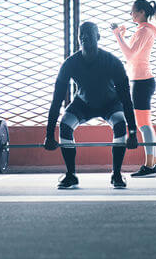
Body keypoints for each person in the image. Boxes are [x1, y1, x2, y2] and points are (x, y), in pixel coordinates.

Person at [45, 22, 139, 189]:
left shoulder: (113, 62)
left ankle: (116, 174)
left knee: (119, 124)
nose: (84, 37)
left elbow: (126, 99)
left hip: (110, 104)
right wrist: (49, 134)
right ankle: (71, 175)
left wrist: (132, 132)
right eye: (81, 34)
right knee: (65, 126)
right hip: (83, 104)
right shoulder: (69, 64)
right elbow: (57, 99)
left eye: (89, 34)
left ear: (98, 37)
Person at [111, 0, 156, 178]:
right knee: (145, 124)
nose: (131, 15)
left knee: (143, 125)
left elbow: (130, 55)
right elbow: (131, 54)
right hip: (141, 80)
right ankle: (152, 163)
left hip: (141, 82)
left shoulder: (144, 31)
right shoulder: (144, 30)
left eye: (132, 12)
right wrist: (121, 36)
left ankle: (149, 166)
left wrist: (118, 35)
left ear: (140, 13)